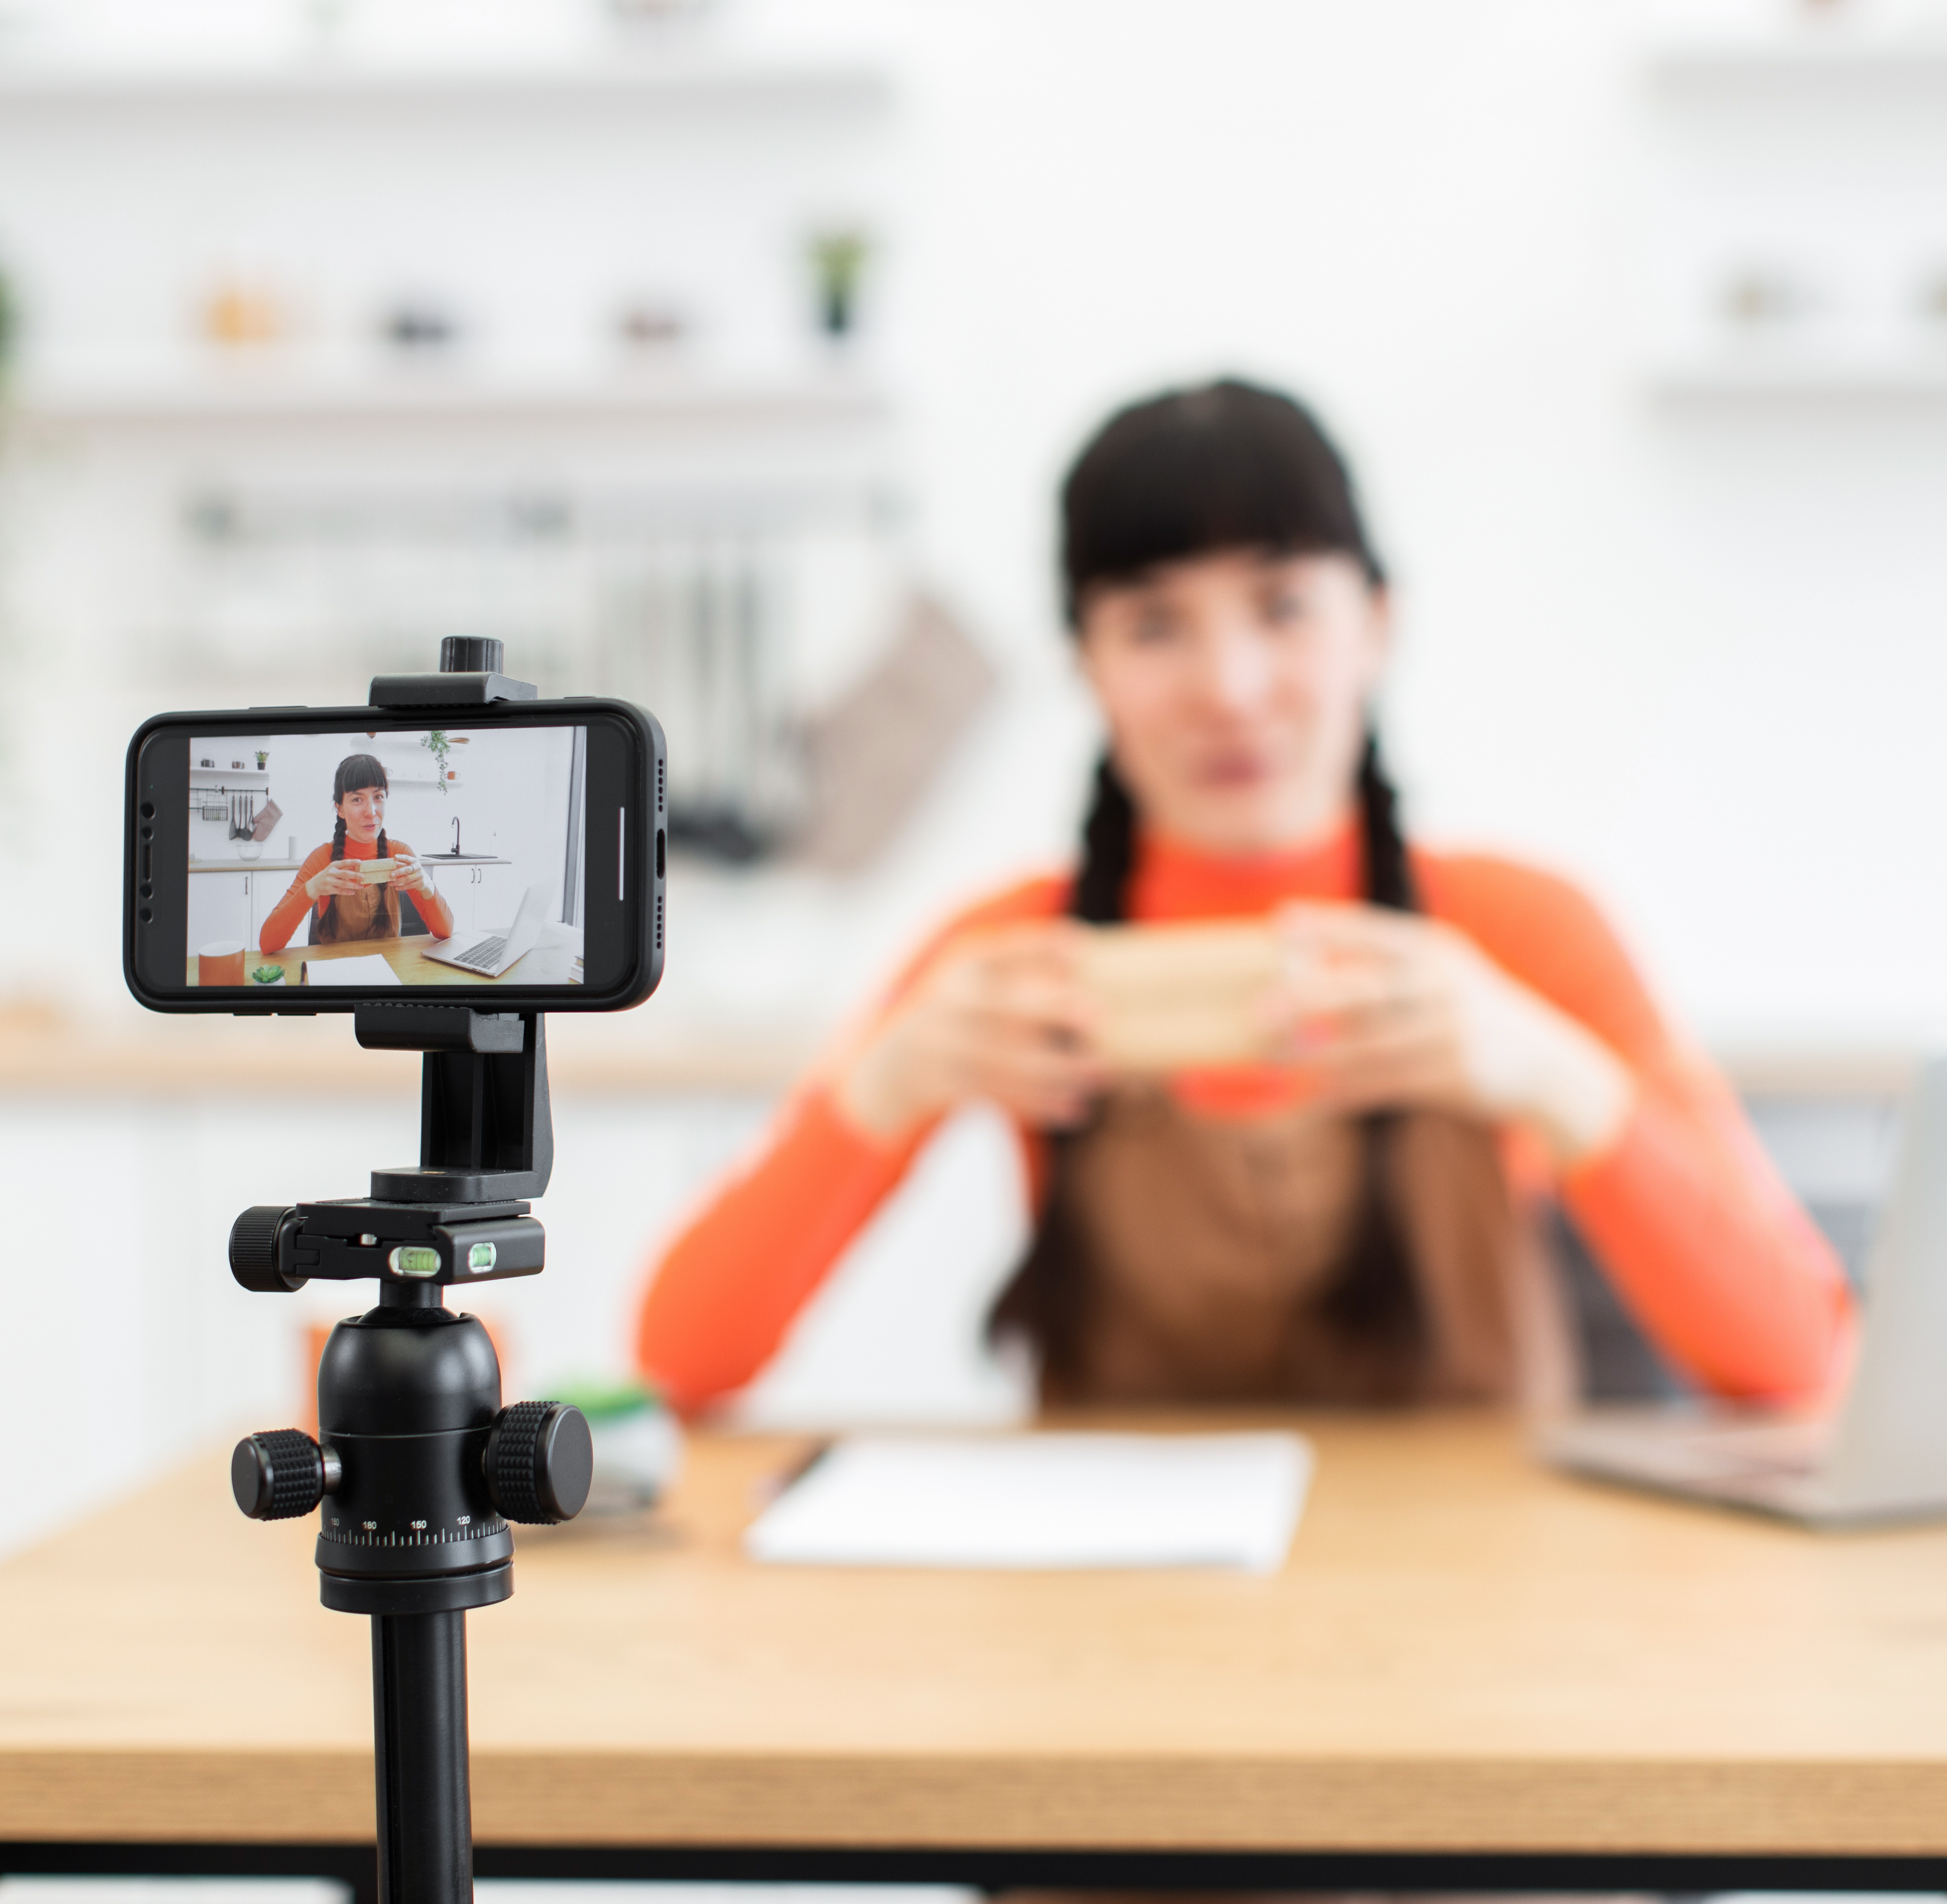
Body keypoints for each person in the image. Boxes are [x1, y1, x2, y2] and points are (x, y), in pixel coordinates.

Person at [635, 380, 1848, 1414]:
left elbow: (1798, 1362)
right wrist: (890, 1082)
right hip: (1114, 1629)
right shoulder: (1006, 953)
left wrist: (1547, 1071)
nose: (1229, 686)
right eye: (1155, 624)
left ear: (1376, 624)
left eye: (1281, 607)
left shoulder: (1522, 931)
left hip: (1485, 1635)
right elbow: (679, 1365)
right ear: (1088, 668)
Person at [259, 753, 455, 955]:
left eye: (378, 797)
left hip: (390, 972)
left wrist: (427, 885)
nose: (371, 812)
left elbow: (446, 932)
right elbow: (268, 943)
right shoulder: (322, 858)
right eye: (357, 799)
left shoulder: (399, 854)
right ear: (340, 809)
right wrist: (312, 888)